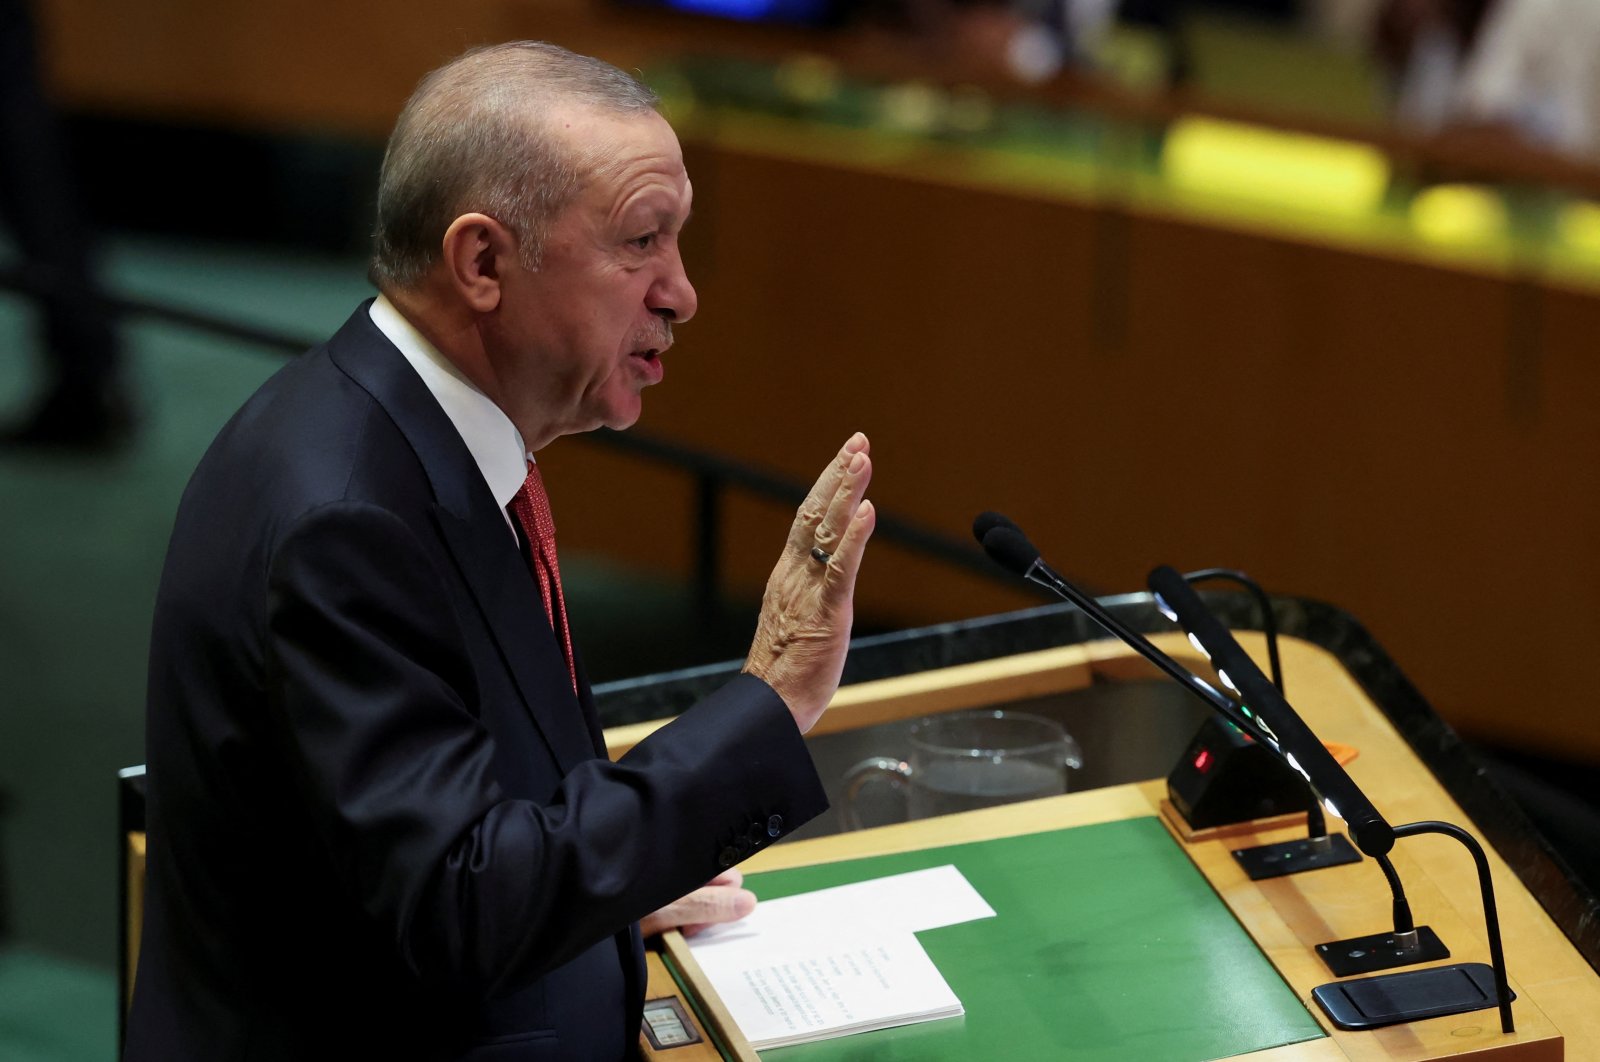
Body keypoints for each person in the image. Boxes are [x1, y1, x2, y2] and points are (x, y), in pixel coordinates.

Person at [124, 42, 876, 1061]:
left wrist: (612, 896)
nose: (680, 294)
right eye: (640, 242)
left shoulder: (411, 433)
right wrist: (771, 698)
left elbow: (448, 827)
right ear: (481, 262)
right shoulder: (348, 519)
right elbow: (458, 901)